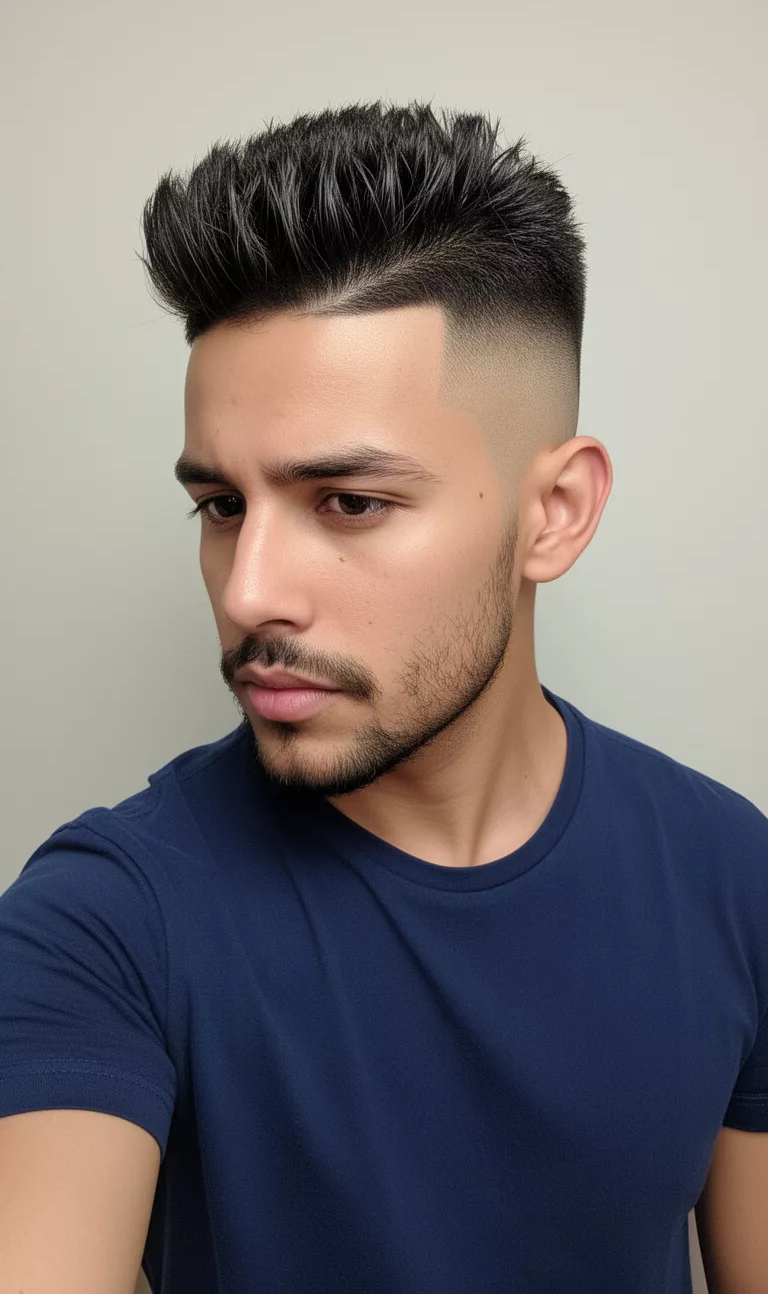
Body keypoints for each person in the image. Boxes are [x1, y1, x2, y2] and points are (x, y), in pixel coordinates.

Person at [0, 100, 766, 1294]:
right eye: (221, 505)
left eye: (348, 503)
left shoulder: (733, 877)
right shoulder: (105, 919)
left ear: (554, 513)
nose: (249, 592)